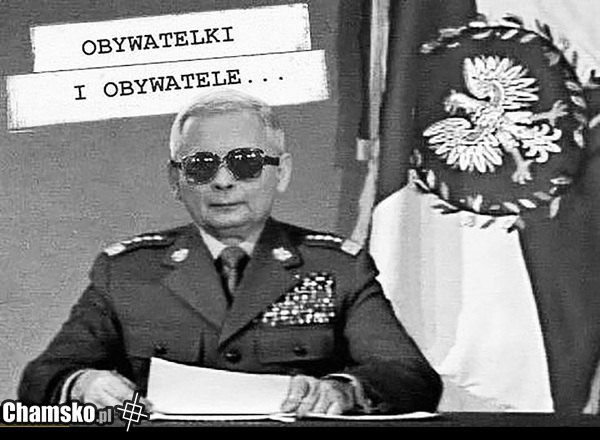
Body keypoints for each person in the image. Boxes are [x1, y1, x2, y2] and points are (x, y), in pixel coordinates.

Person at [18, 91, 442, 416]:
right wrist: (82, 383)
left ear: (282, 173)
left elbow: (409, 376)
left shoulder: (337, 268)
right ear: (176, 180)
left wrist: (342, 391)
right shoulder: (127, 273)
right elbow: (42, 377)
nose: (223, 181)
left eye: (246, 163)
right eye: (201, 165)